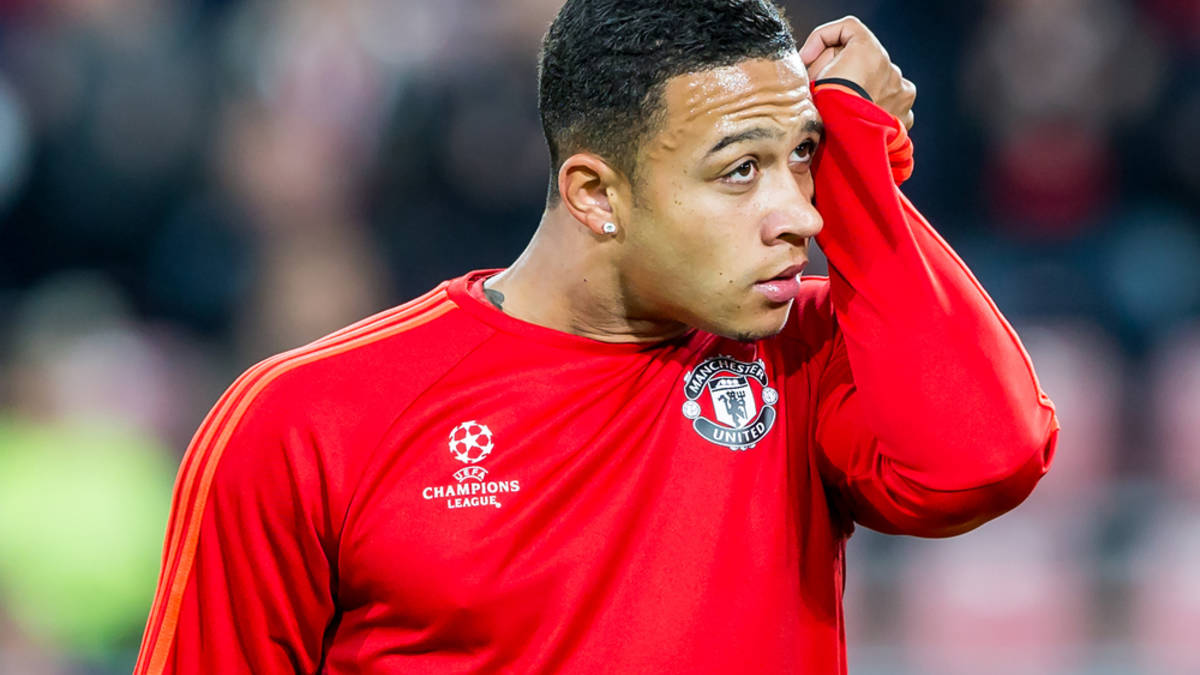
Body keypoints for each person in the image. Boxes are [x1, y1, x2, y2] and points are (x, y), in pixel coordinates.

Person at [135, 1, 1059, 673]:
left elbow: (987, 460)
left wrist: (859, 159)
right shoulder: (305, 418)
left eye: (802, 159)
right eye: (740, 171)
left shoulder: (804, 354)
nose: (799, 216)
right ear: (594, 194)